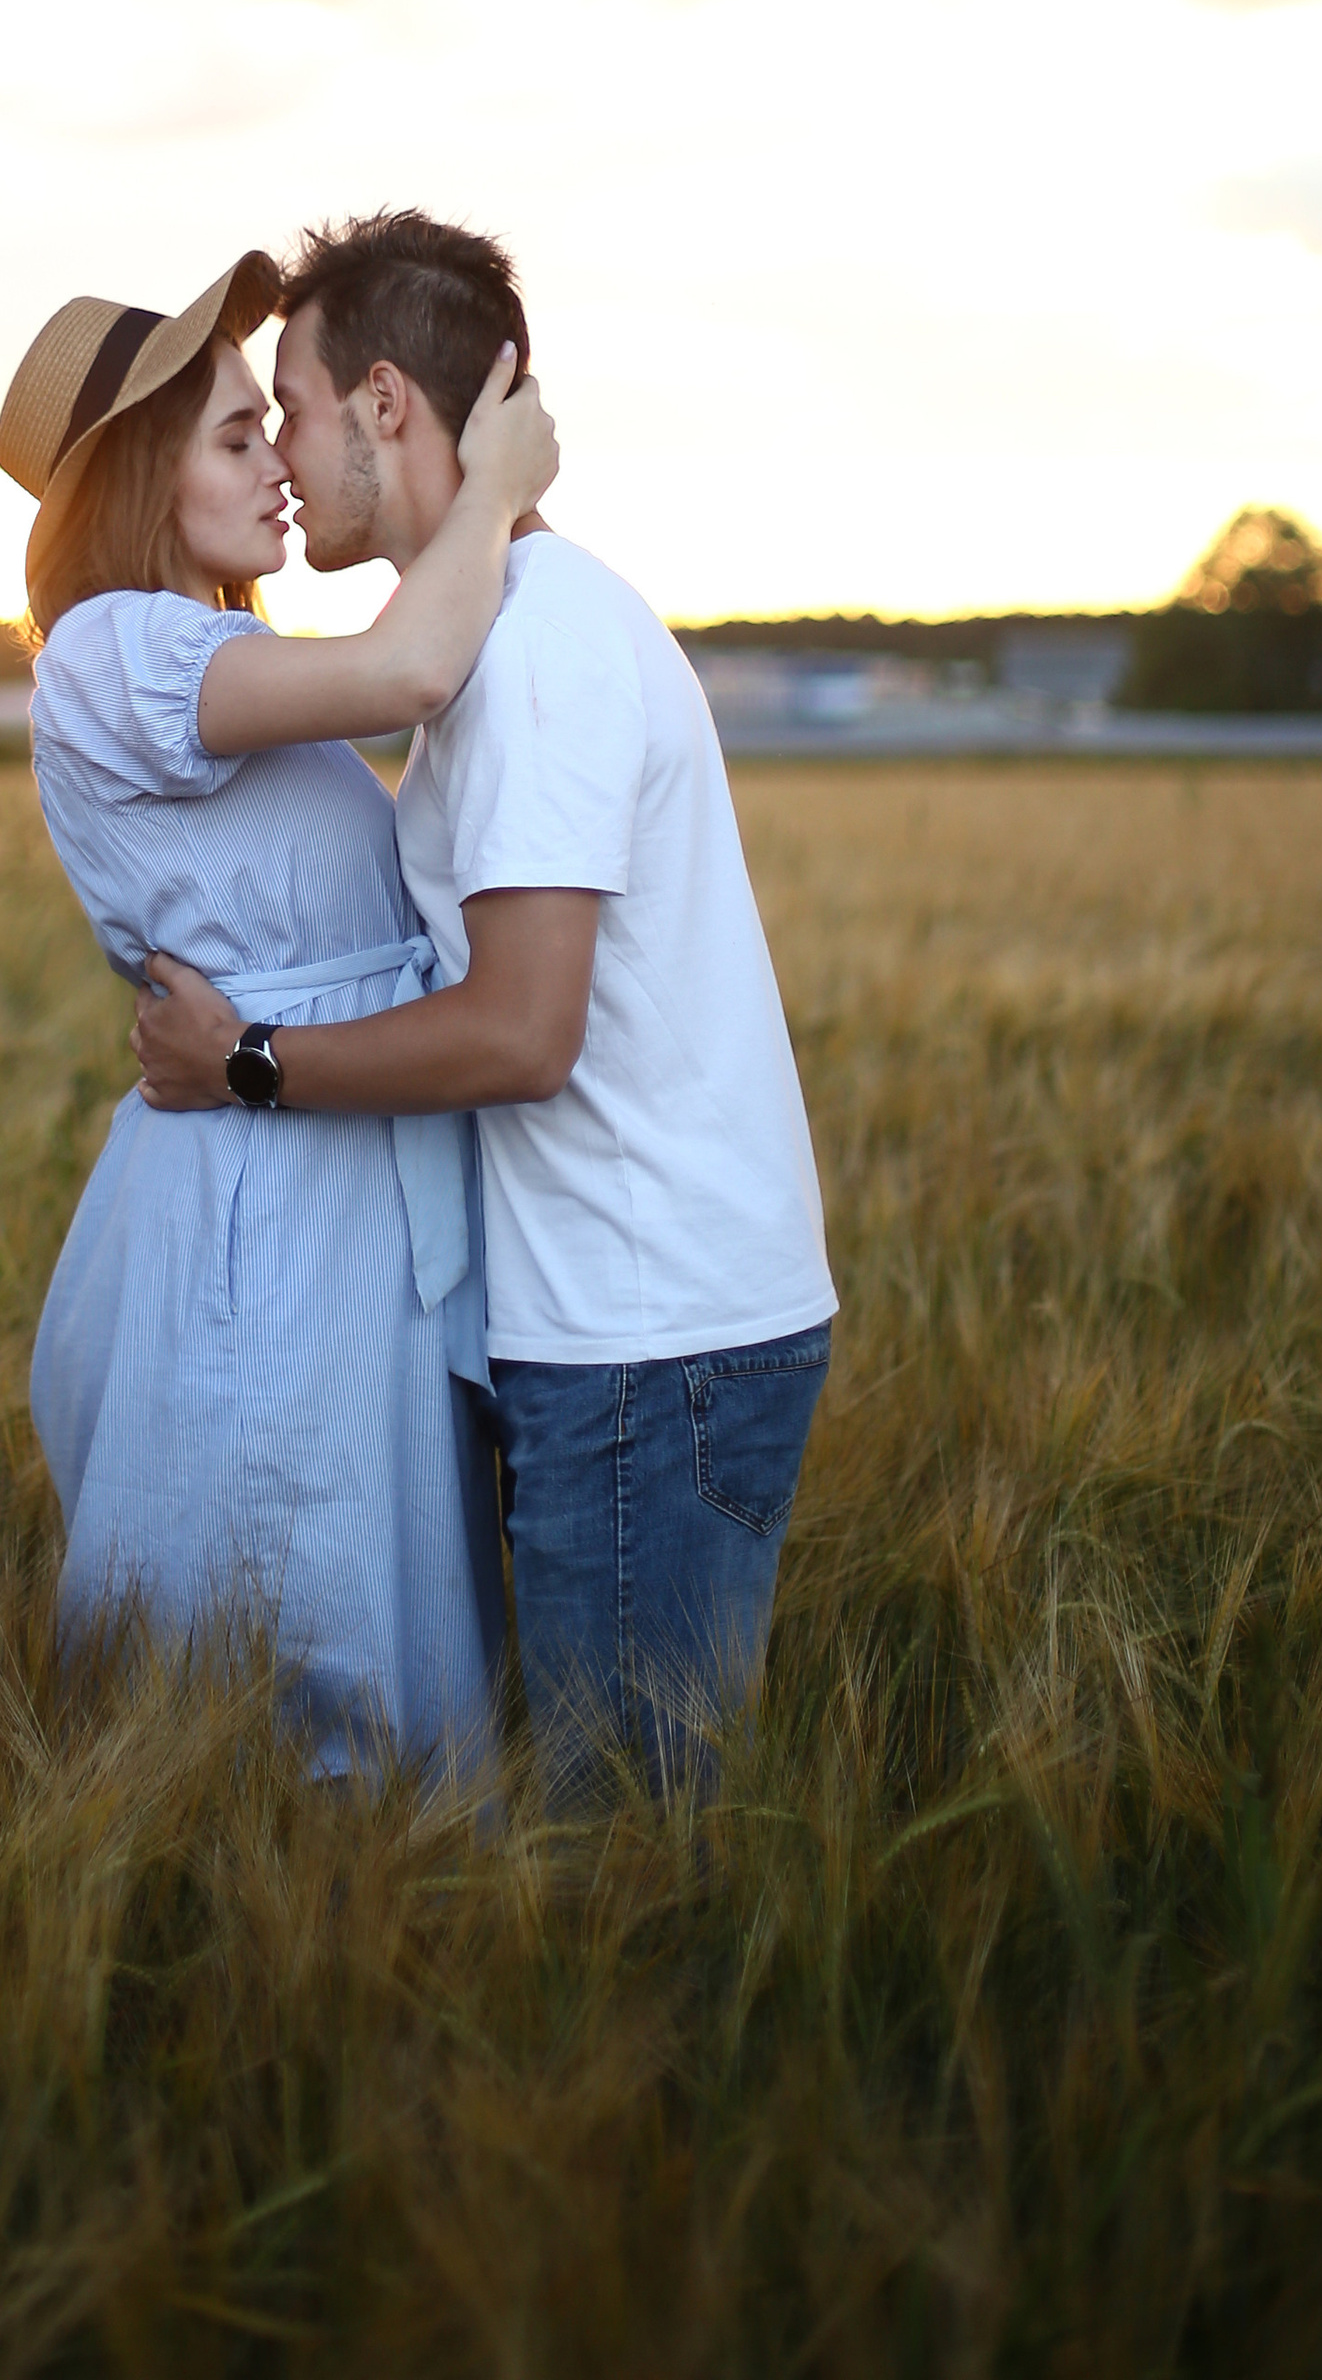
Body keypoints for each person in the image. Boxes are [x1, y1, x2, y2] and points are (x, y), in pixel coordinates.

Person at [132, 209, 836, 1794]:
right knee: (620, 1834)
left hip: (650, 1347)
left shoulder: (538, 659)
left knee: (627, 1860)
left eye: (293, 409)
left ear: (387, 403)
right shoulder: (495, 641)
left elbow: (524, 1033)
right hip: (624, 1328)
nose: (286, 456)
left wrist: (246, 1063)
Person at [0, 247, 558, 1777]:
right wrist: (495, 486)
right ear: (133, 480)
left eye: (269, 424)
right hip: (266, 1201)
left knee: (357, 1586)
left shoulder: (217, 654)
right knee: (293, 1611)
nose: (278, 469)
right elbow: (413, 664)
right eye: (238, 438)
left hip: (324, 1166)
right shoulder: (120, 649)